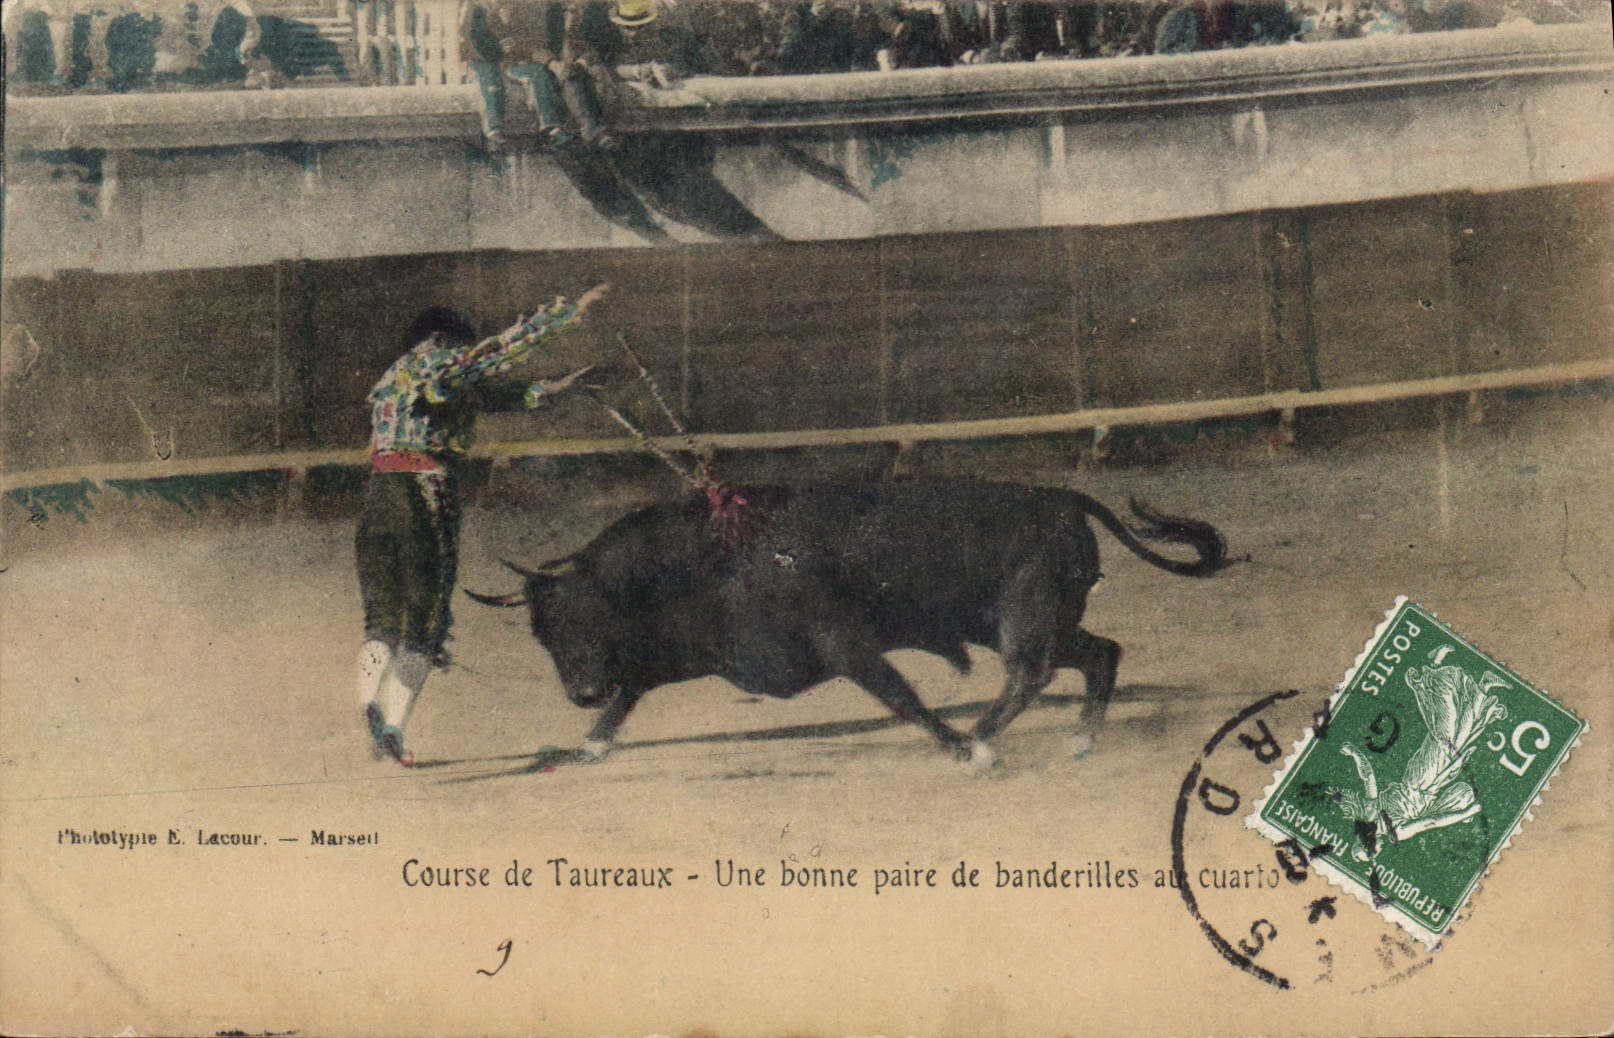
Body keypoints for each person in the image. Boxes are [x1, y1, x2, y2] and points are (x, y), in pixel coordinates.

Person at [355, 284, 608, 766]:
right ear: (445, 339)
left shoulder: (399, 378)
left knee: (381, 619)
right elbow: (493, 357)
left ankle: (368, 701)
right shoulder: (437, 362)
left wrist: (551, 389)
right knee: (425, 625)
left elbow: (486, 395)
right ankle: (393, 727)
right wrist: (567, 313)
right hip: (424, 492)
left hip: (379, 496)